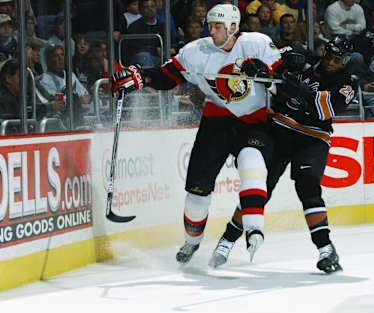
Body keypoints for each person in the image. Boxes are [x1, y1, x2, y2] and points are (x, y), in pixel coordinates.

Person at [112, 4, 283, 264]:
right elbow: (167, 76)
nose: (211, 30)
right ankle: (191, 242)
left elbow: (284, 72)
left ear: (233, 28)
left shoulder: (256, 44)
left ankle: (253, 229)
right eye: (210, 25)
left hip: (253, 121)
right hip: (216, 121)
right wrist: (141, 77)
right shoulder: (196, 51)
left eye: (218, 26)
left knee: (252, 164)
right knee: (196, 189)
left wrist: (269, 74)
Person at [209, 36, 355, 273]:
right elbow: (273, 59)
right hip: (279, 130)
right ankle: (226, 241)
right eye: (329, 55)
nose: (330, 62)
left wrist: (292, 88)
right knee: (258, 189)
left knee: (308, 187)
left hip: (312, 138)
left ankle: (326, 249)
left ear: (345, 61)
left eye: (337, 60)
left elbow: (321, 109)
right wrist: (261, 67)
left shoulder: (346, 84)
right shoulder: (304, 62)